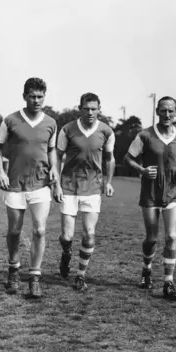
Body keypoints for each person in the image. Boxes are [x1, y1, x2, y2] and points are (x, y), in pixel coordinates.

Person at [0, 77, 62, 298]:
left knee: (40, 229)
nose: (36, 100)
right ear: (24, 96)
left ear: (45, 97)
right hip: (14, 184)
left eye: (40, 96)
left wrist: (54, 170)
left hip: (41, 184)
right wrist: (1, 172)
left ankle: (34, 276)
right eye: (32, 96)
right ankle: (13, 269)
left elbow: (51, 149)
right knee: (14, 231)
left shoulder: (51, 122)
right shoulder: (11, 120)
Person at [124, 96, 176, 301]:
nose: (167, 115)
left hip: (174, 191)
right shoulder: (145, 136)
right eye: (163, 111)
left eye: (171, 111)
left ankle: (168, 282)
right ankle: (146, 269)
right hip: (150, 192)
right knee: (152, 238)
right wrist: (142, 170)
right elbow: (128, 158)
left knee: (171, 236)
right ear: (157, 112)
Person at [56, 92, 115, 292]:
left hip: (92, 187)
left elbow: (109, 159)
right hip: (69, 186)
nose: (90, 112)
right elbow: (57, 156)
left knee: (89, 233)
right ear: (80, 108)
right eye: (86, 108)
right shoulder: (67, 129)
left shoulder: (106, 131)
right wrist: (56, 182)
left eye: (94, 109)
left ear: (99, 109)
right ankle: (66, 253)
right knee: (66, 236)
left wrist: (108, 182)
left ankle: (80, 275)